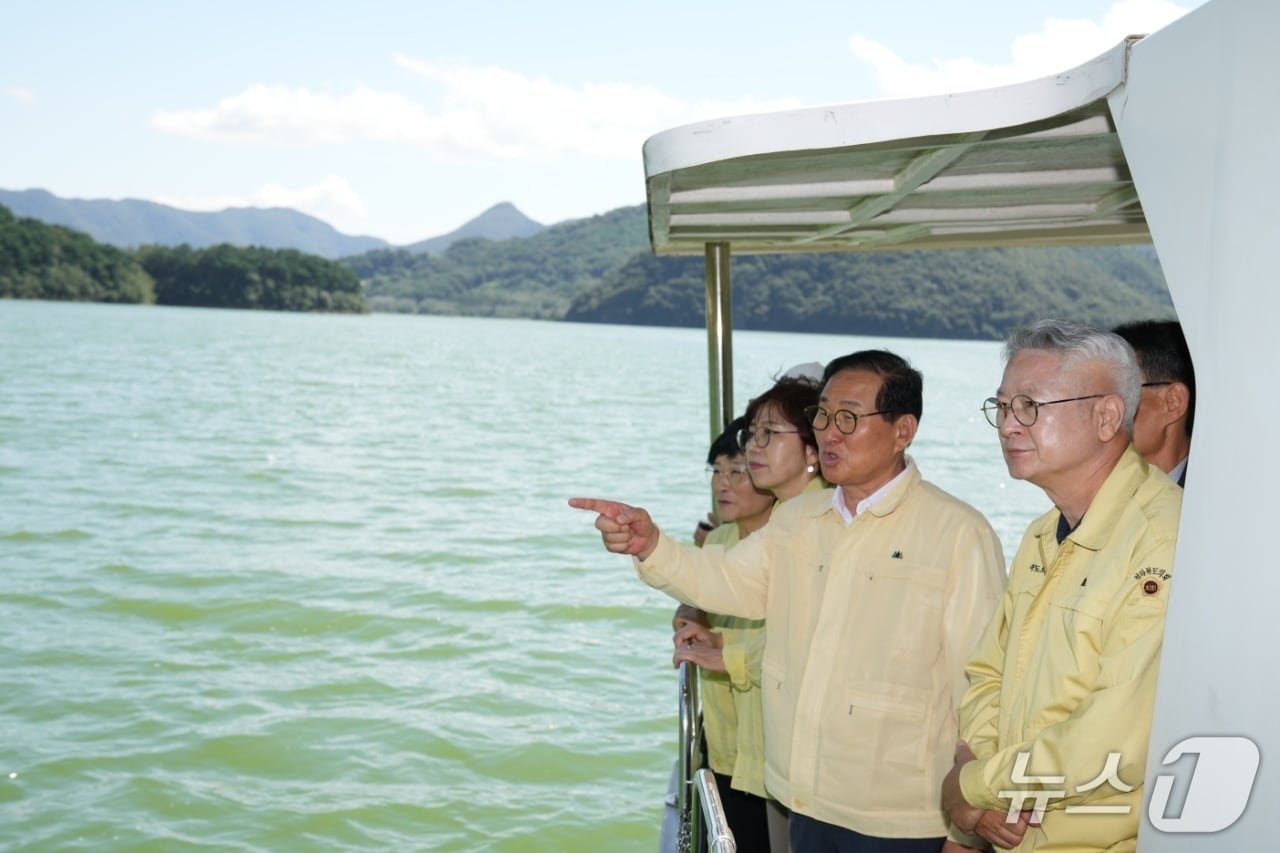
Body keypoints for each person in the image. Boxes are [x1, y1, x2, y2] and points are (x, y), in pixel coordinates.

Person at [573, 350, 1006, 853]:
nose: (829, 432)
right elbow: (724, 580)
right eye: (822, 415)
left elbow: (981, 682)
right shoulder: (799, 518)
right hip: (804, 799)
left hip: (905, 817)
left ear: (902, 430)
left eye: (849, 417)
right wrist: (651, 544)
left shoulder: (957, 532)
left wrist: (967, 829)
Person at [944, 319, 1183, 852]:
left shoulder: (1165, 541)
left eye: (1029, 406)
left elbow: (1111, 741)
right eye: (1002, 406)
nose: (1008, 425)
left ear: (1106, 416)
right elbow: (988, 675)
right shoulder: (1041, 534)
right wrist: (980, 779)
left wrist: (974, 785)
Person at [674, 376, 826, 853]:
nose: (725, 482)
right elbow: (702, 590)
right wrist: (689, 614)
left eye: (737, 470)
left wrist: (726, 651)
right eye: (717, 472)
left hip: (776, 753)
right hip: (725, 743)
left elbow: (807, 643)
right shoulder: (724, 539)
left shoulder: (811, 530)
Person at [1112, 320, 1195, 486]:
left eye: (1119, 393)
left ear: (1173, 402)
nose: (1106, 412)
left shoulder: (1221, 498)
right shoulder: (1097, 496)